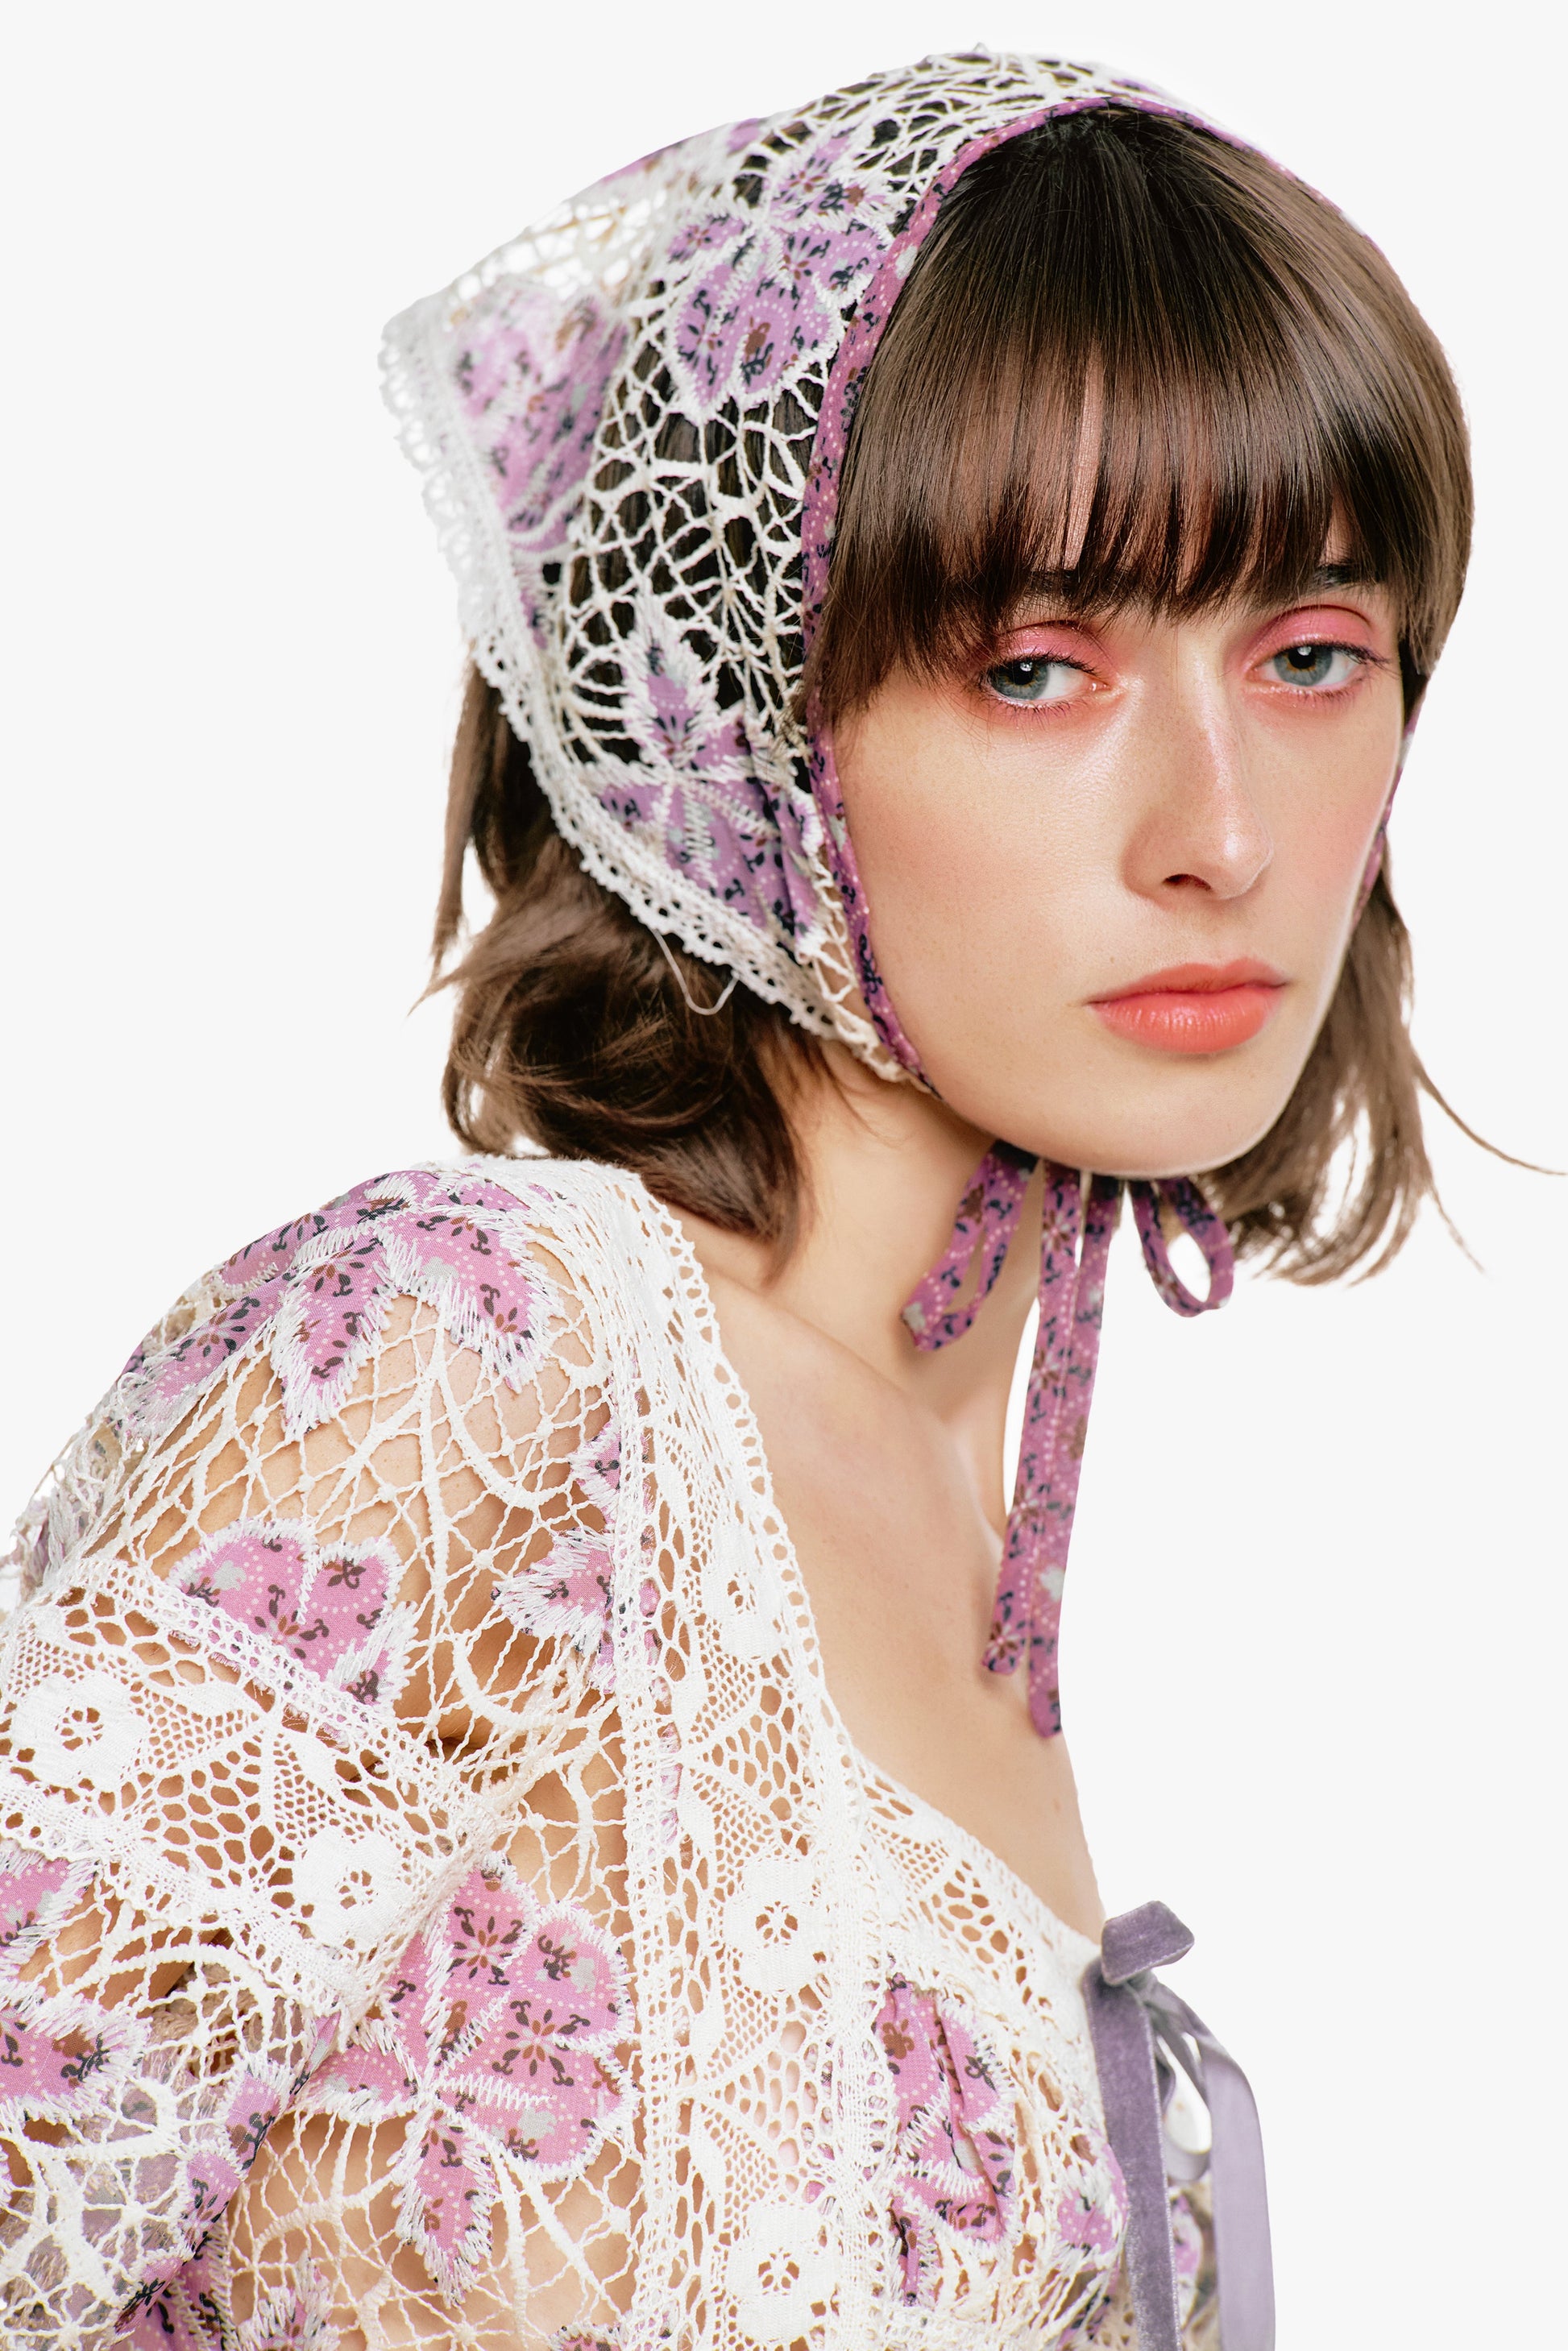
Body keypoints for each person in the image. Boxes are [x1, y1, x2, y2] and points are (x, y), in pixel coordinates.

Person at [0, 48, 1473, 2351]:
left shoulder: (986, 1554)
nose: (1221, 830)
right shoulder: (466, 1366)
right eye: (1035, 667)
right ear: (736, 724)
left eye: (1309, 656)